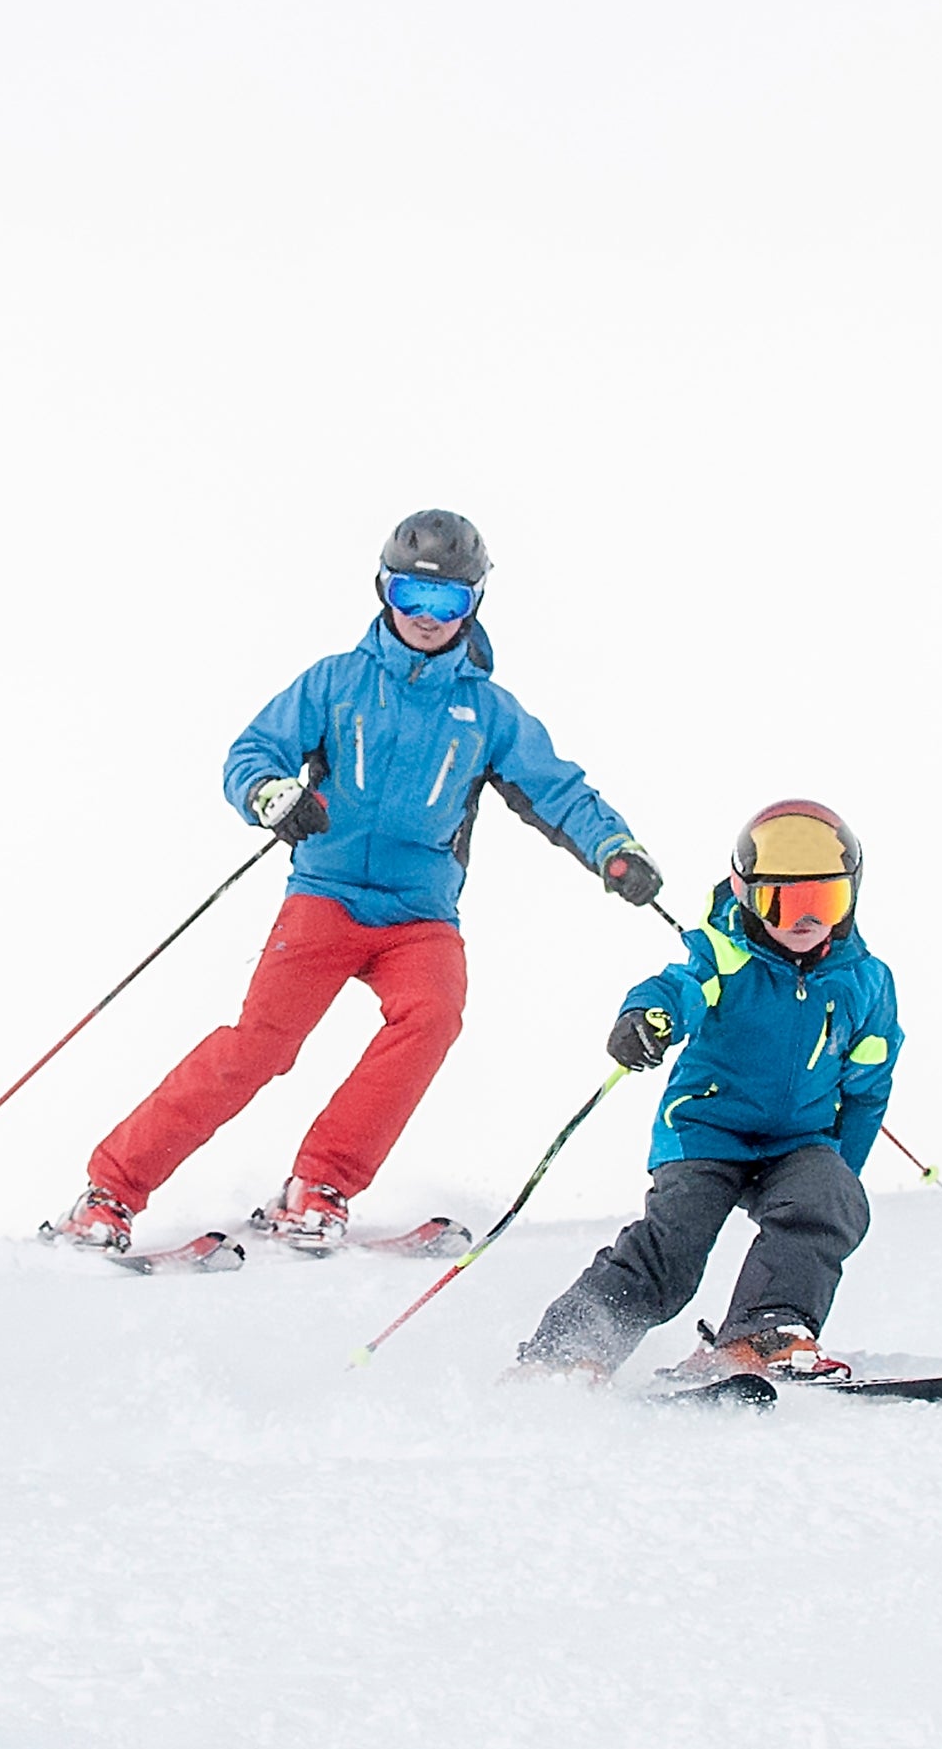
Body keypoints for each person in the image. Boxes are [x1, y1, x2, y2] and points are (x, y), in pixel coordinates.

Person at [49, 510, 661, 1257]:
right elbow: (253, 753)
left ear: (475, 605)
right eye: (411, 597)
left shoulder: (488, 712)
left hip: (418, 916)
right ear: (383, 590)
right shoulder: (336, 682)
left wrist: (614, 850)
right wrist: (272, 795)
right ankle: (109, 1192)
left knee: (433, 1016)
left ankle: (321, 1185)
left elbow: (558, 792)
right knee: (259, 1048)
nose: (427, 619)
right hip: (325, 898)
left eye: (448, 604)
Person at [512, 800, 903, 1381]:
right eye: (782, 902)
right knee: (674, 1249)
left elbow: (868, 1087)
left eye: (824, 900)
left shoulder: (865, 983)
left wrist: (840, 1174)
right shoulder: (723, 955)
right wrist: (646, 1018)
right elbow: (675, 989)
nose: (803, 921)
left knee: (827, 1203)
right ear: (747, 897)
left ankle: (764, 1332)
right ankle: (567, 1352)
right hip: (706, 1133)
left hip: (798, 1144)